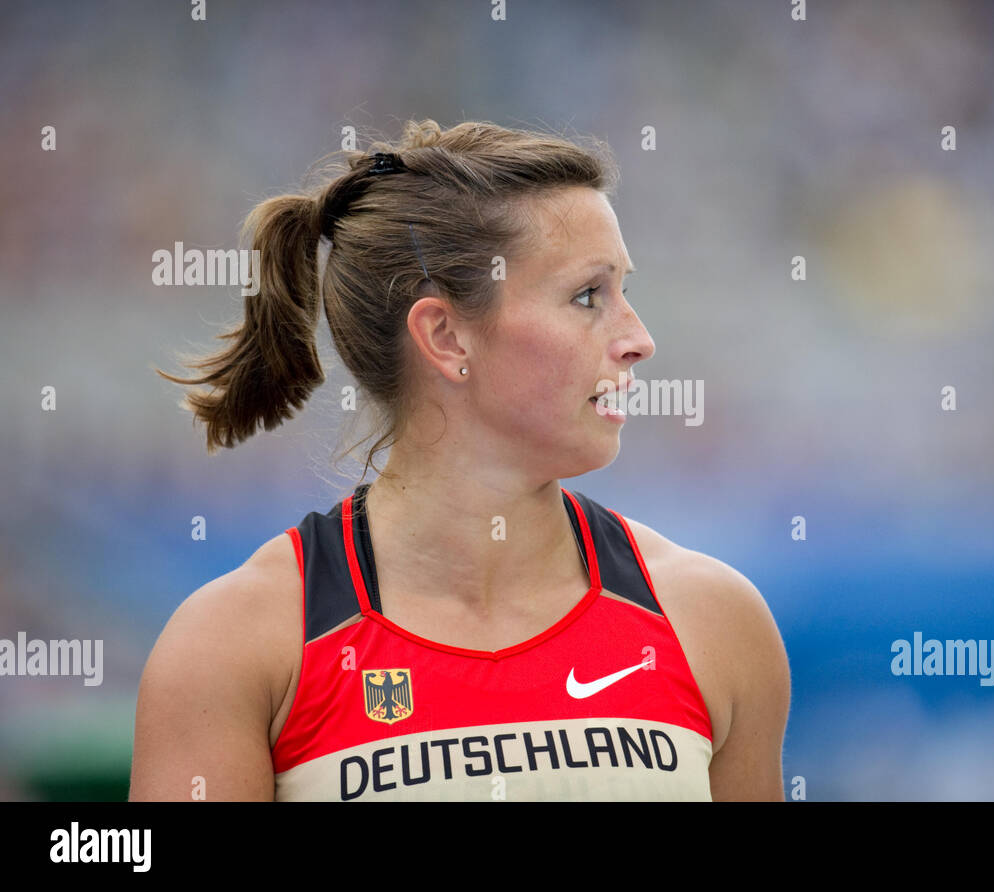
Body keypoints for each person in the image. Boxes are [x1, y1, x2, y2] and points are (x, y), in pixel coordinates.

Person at [130, 119, 789, 801]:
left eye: (626, 291)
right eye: (589, 295)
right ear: (445, 336)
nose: (639, 340)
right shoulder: (237, 647)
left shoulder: (710, 620)